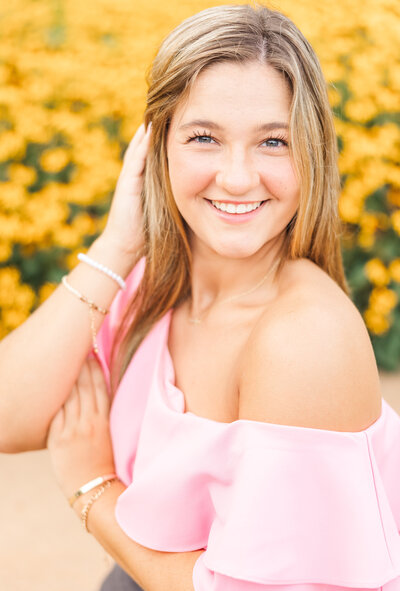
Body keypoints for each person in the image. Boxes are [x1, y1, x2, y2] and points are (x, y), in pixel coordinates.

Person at [1, 3, 400, 590]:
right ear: (155, 149)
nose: (237, 177)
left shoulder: (304, 339)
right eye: (204, 137)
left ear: (311, 154)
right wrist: (116, 247)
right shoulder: (152, 284)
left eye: (272, 142)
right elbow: (10, 415)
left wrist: (93, 488)